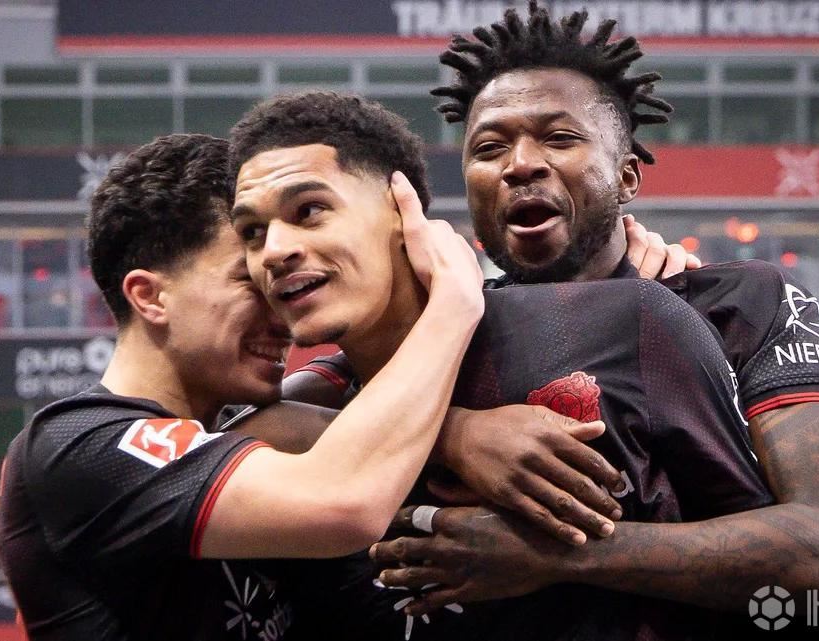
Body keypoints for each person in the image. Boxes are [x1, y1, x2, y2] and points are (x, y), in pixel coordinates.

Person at [362, 3, 819, 639]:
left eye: (559, 138)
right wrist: (457, 435)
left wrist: (558, 555)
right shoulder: (445, 328)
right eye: (489, 148)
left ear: (627, 175)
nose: (519, 164)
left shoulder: (743, 304)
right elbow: (279, 422)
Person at [227, 90, 776, 640]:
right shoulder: (295, 419)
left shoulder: (625, 323)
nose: (273, 251)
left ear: (401, 210)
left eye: (310, 211)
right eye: (252, 232)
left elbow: (785, 576)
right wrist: (452, 435)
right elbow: (230, 436)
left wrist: (568, 554)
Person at [0, 133, 487, 640]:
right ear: (150, 297)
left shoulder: (251, 427)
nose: (279, 310)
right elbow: (341, 500)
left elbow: (357, 400)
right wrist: (453, 303)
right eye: (250, 283)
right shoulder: (79, 445)